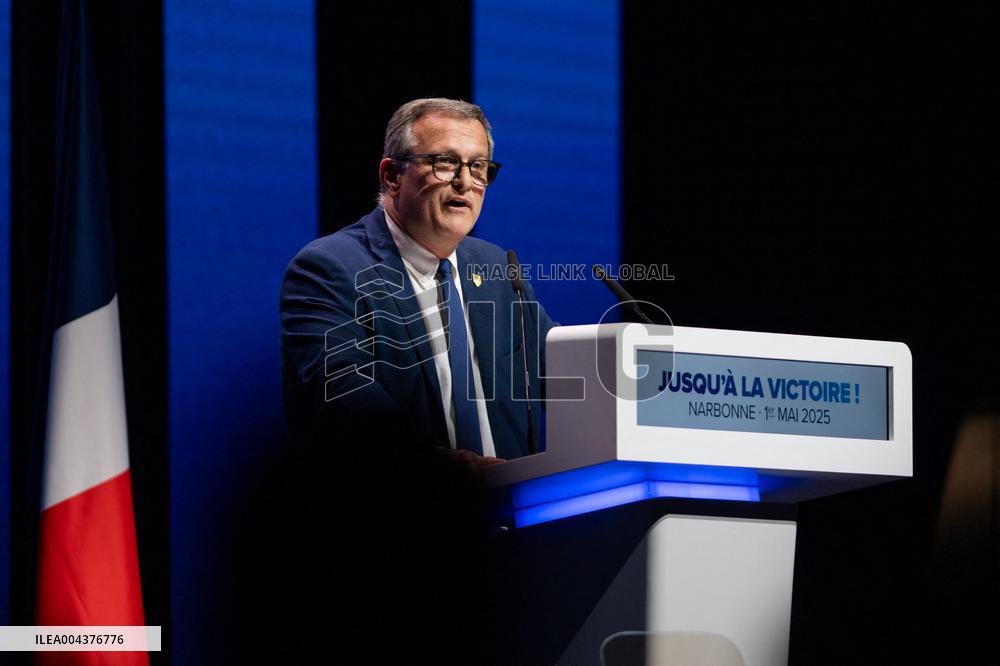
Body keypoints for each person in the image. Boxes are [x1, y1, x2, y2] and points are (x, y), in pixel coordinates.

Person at [273, 98, 555, 662]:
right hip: (392, 559)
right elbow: (345, 398)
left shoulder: (497, 268)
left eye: (479, 167)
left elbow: (565, 372)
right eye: (445, 162)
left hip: (522, 550)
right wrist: (441, 473)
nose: (466, 182)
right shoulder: (329, 268)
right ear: (391, 173)